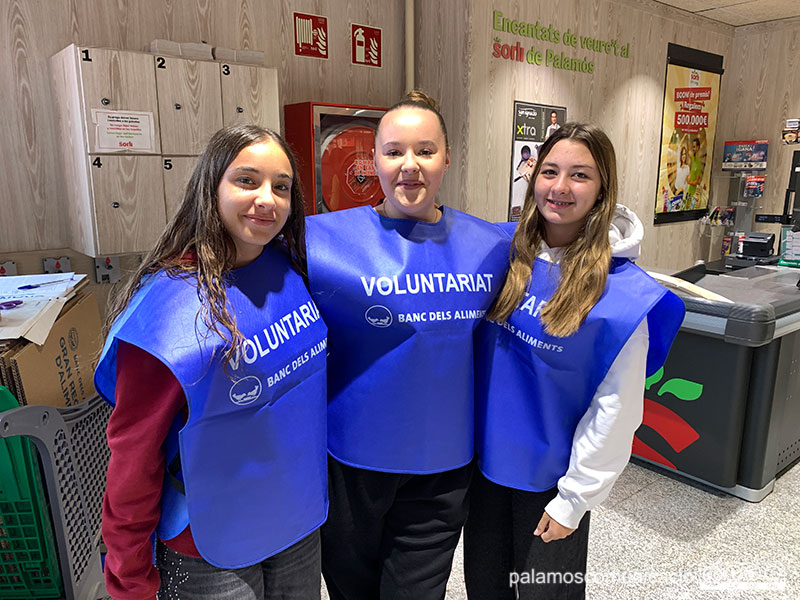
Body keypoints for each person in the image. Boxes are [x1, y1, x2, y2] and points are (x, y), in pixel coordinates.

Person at [94, 125, 328, 600]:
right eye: (247, 180)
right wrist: (129, 577)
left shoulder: (292, 270)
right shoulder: (169, 313)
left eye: (281, 186)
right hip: (207, 543)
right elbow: (134, 457)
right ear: (211, 187)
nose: (267, 199)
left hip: (295, 520)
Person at [464, 123, 684, 600]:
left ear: (603, 187)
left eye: (580, 175)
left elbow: (617, 409)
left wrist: (574, 500)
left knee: (548, 594)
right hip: (483, 473)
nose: (560, 187)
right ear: (533, 176)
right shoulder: (502, 256)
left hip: (550, 485)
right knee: (485, 588)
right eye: (550, 171)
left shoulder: (620, 294)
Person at [305, 90, 510, 599]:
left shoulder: (491, 245)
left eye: (425, 150)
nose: (409, 166)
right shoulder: (321, 242)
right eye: (393, 151)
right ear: (373, 160)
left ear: (446, 158)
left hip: (441, 473)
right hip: (350, 467)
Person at [685, 137, 704, 209]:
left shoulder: (699, 163)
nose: (693, 148)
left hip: (693, 193)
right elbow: (688, 150)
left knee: (690, 208)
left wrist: (688, 181)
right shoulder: (693, 158)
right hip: (689, 191)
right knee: (686, 206)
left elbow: (696, 182)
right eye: (692, 146)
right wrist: (687, 139)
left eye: (694, 146)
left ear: (698, 147)